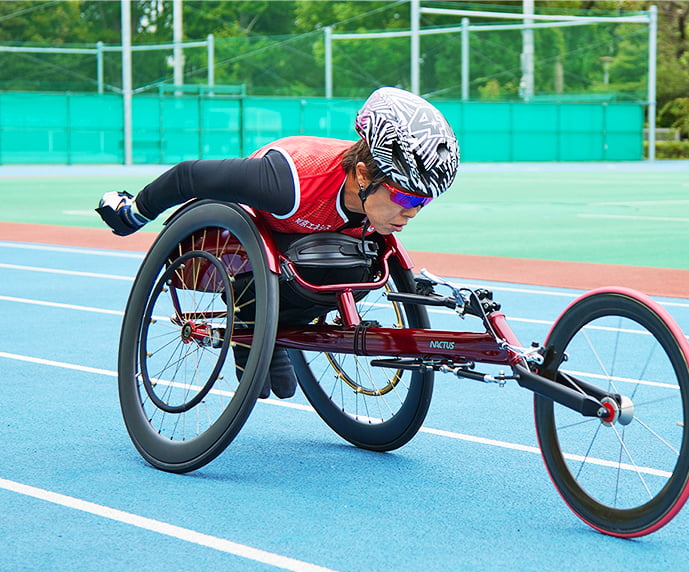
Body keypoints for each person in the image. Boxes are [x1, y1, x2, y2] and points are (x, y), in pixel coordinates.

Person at [96, 86, 460, 400]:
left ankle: (276, 328)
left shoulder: (376, 200)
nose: (413, 210)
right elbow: (188, 175)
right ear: (363, 175)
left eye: (425, 201)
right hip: (255, 237)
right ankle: (250, 313)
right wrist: (135, 213)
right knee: (318, 269)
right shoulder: (284, 184)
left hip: (314, 242)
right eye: (408, 198)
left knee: (362, 267)